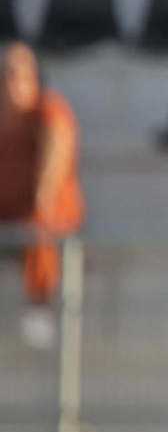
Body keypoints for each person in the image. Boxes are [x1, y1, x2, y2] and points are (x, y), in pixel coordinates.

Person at [0, 43, 81, 352]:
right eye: (6, 76)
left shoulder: (48, 110)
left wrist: (44, 189)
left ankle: (38, 307)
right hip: (5, 212)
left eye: (18, 76)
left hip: (39, 216)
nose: (11, 85)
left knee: (39, 226)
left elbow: (57, 142)